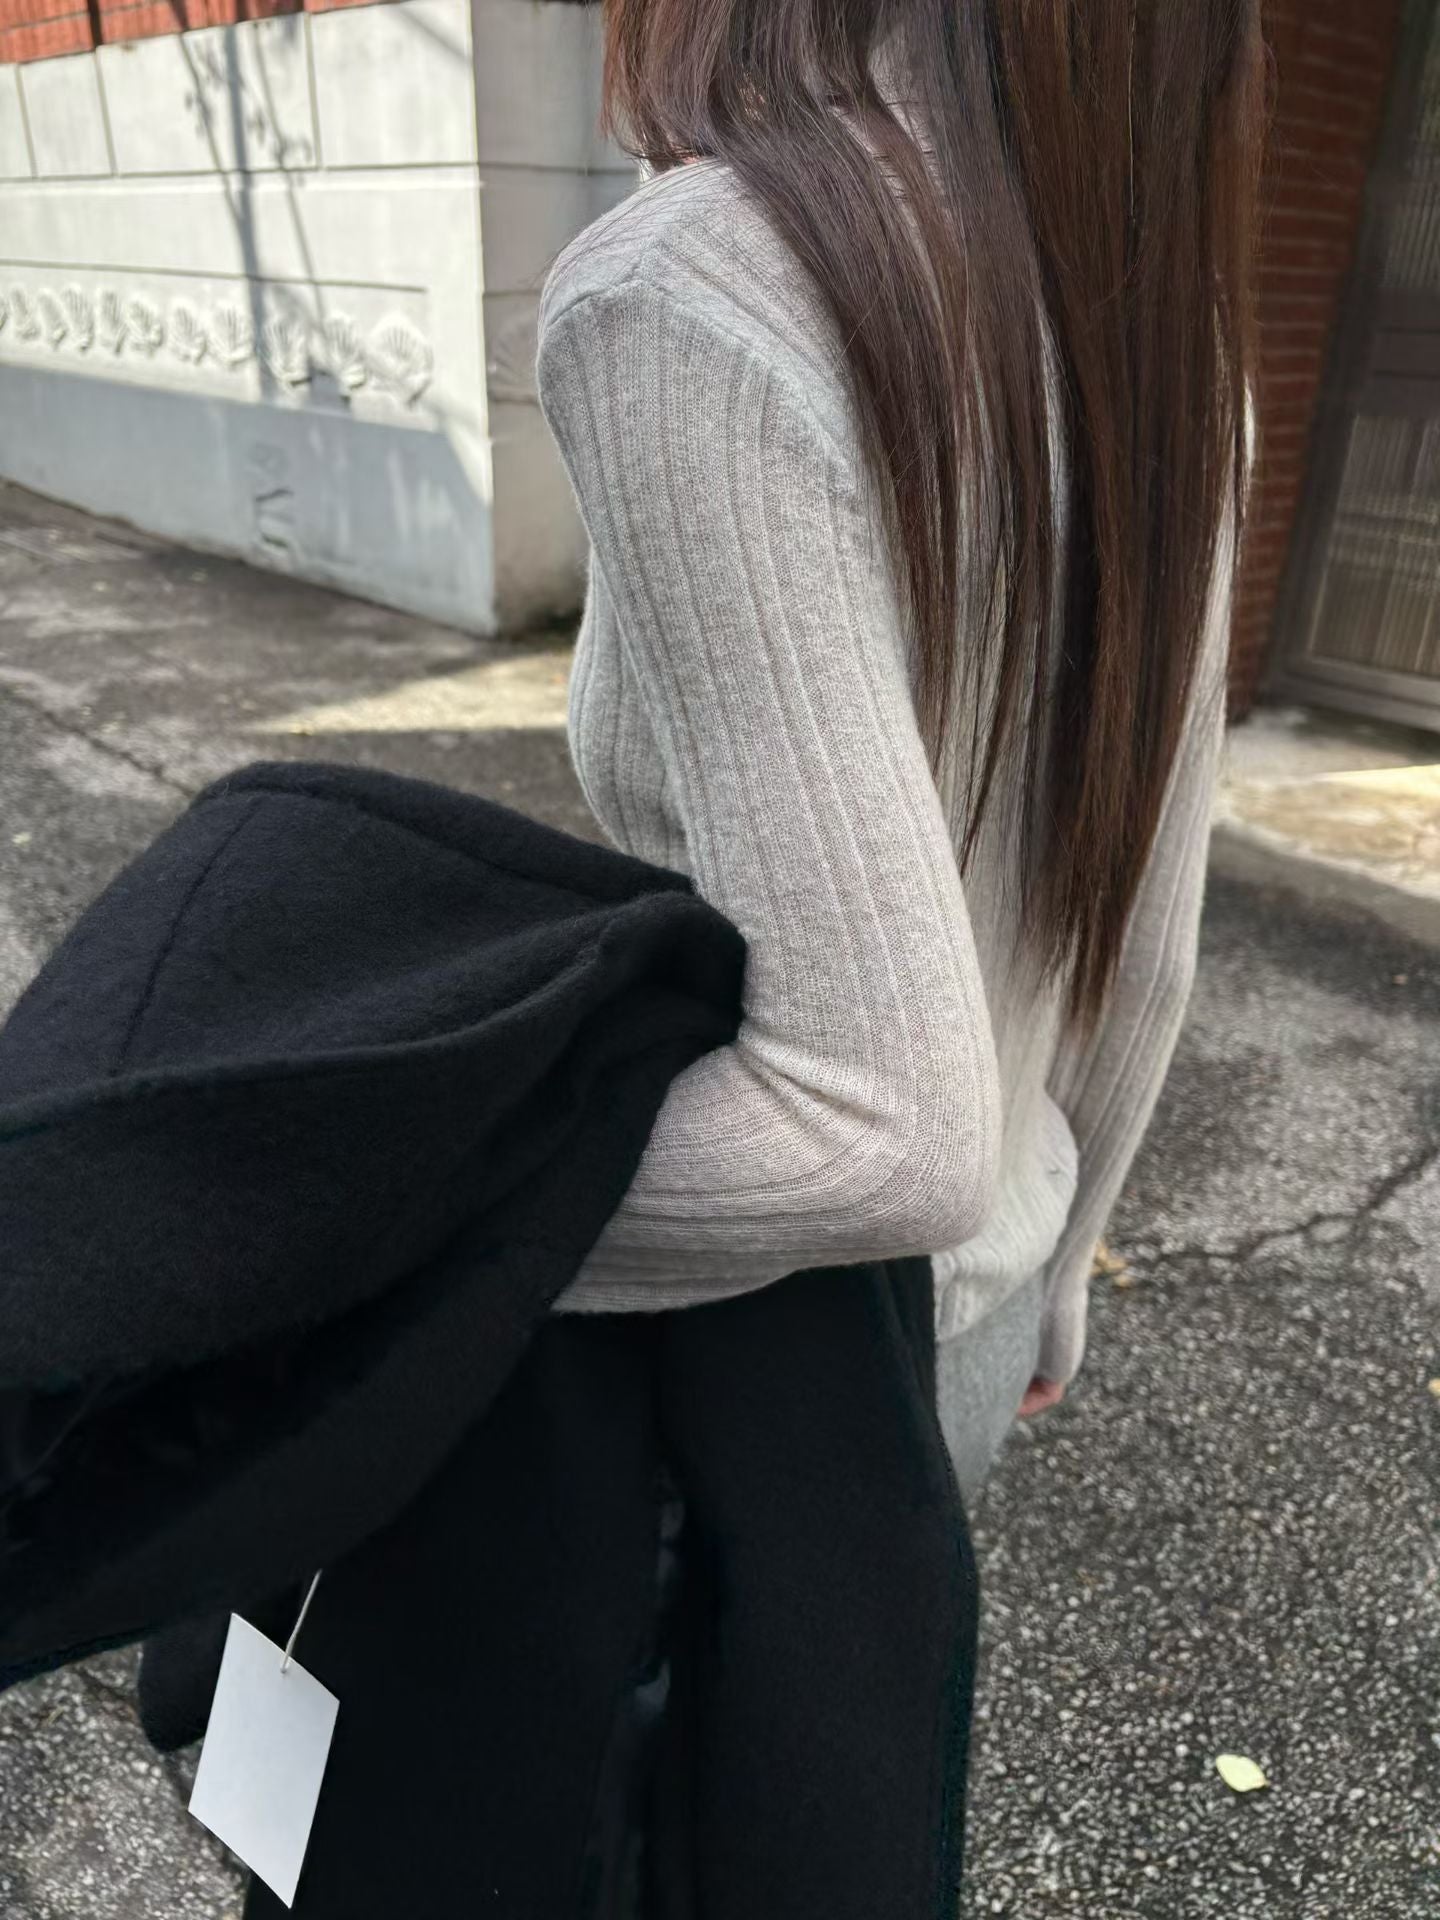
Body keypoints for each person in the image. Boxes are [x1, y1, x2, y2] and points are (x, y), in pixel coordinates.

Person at [530, 0, 1262, 1900]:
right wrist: (1060, 1269)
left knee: (589, 1843)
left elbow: (876, 1124)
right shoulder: (1160, 336)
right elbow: (1141, 929)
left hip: (734, 1337)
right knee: (779, 1833)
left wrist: (391, 1235)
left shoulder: (695, 291)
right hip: (971, 1320)